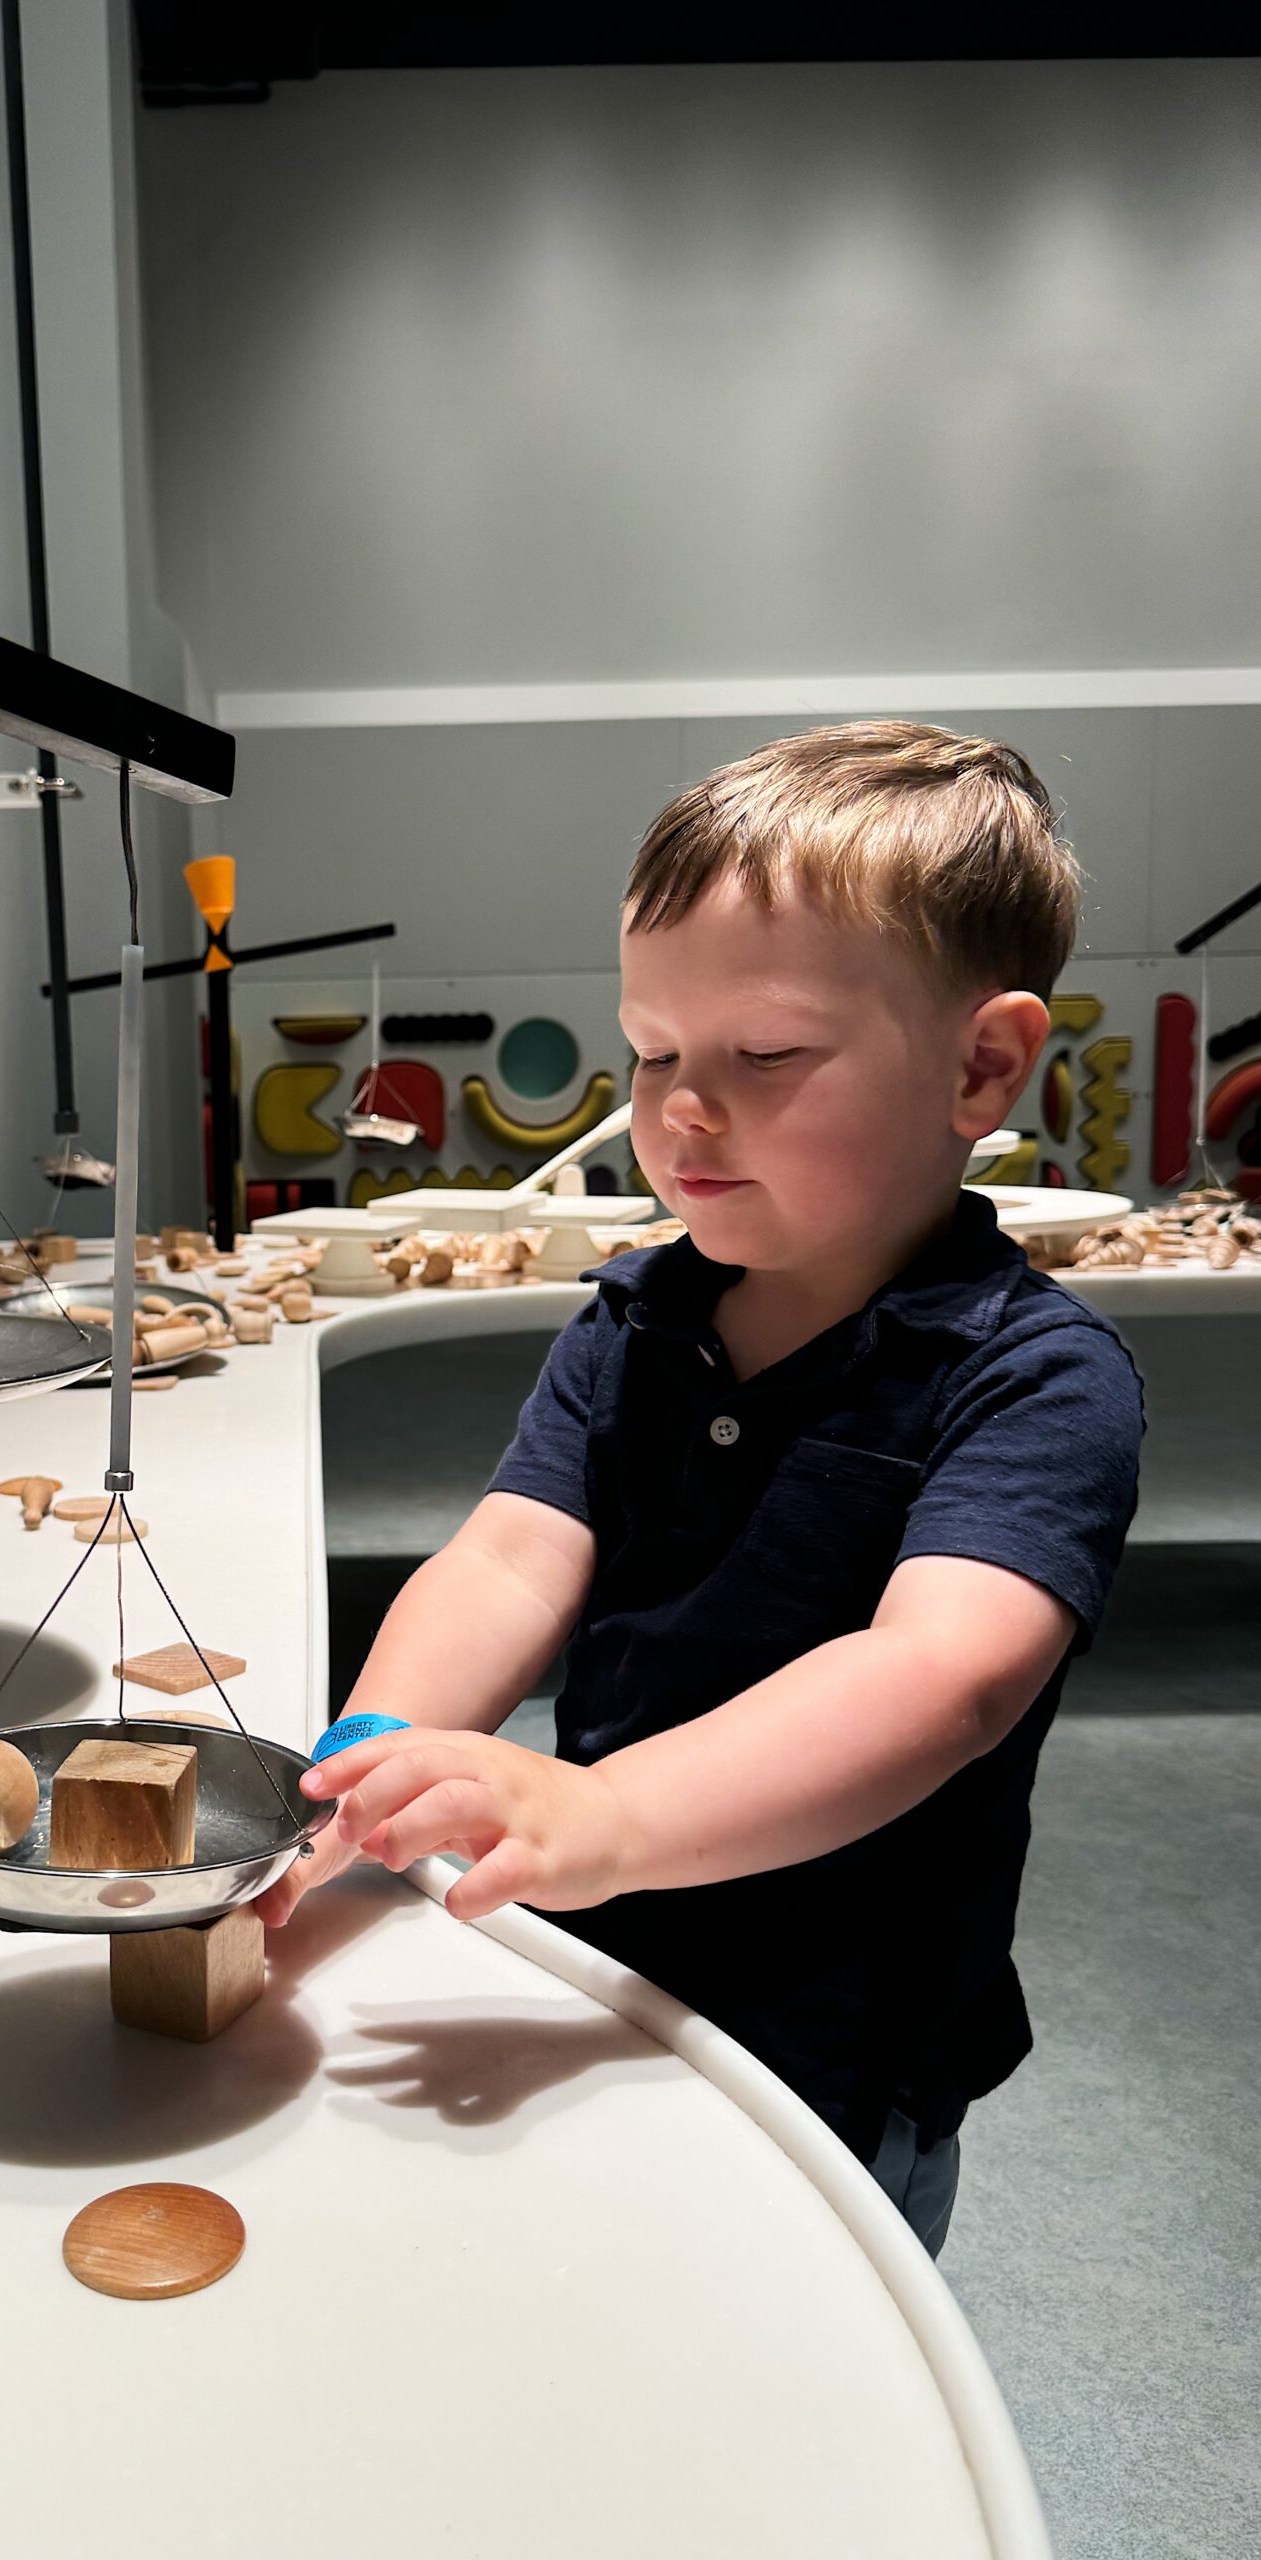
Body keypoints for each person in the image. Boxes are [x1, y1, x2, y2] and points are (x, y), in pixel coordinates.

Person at [258, 721, 1145, 2259]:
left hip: (840, 2034)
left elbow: (940, 1679)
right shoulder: (637, 1319)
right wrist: (376, 1745)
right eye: (656, 1051)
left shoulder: (1035, 1377)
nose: (683, 1107)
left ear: (983, 1064)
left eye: (768, 1054)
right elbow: (511, 1559)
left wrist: (605, 1807)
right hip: (607, 1960)